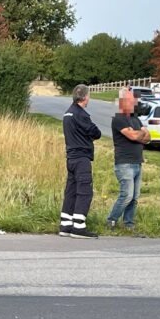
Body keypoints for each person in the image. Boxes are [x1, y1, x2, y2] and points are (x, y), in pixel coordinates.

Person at [59, 84, 102, 238]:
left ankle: (65, 225)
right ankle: (79, 227)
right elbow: (95, 132)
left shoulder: (67, 113)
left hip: (70, 157)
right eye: (88, 96)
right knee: (84, 191)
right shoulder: (81, 114)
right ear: (85, 97)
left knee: (70, 191)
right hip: (81, 158)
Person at [107, 88, 150, 230]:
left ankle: (128, 223)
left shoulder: (135, 119)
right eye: (131, 100)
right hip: (124, 163)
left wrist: (140, 134)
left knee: (134, 197)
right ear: (122, 102)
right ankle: (112, 220)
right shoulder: (118, 119)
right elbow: (133, 136)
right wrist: (140, 134)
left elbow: (148, 138)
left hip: (138, 162)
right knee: (126, 195)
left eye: (134, 101)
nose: (134, 103)